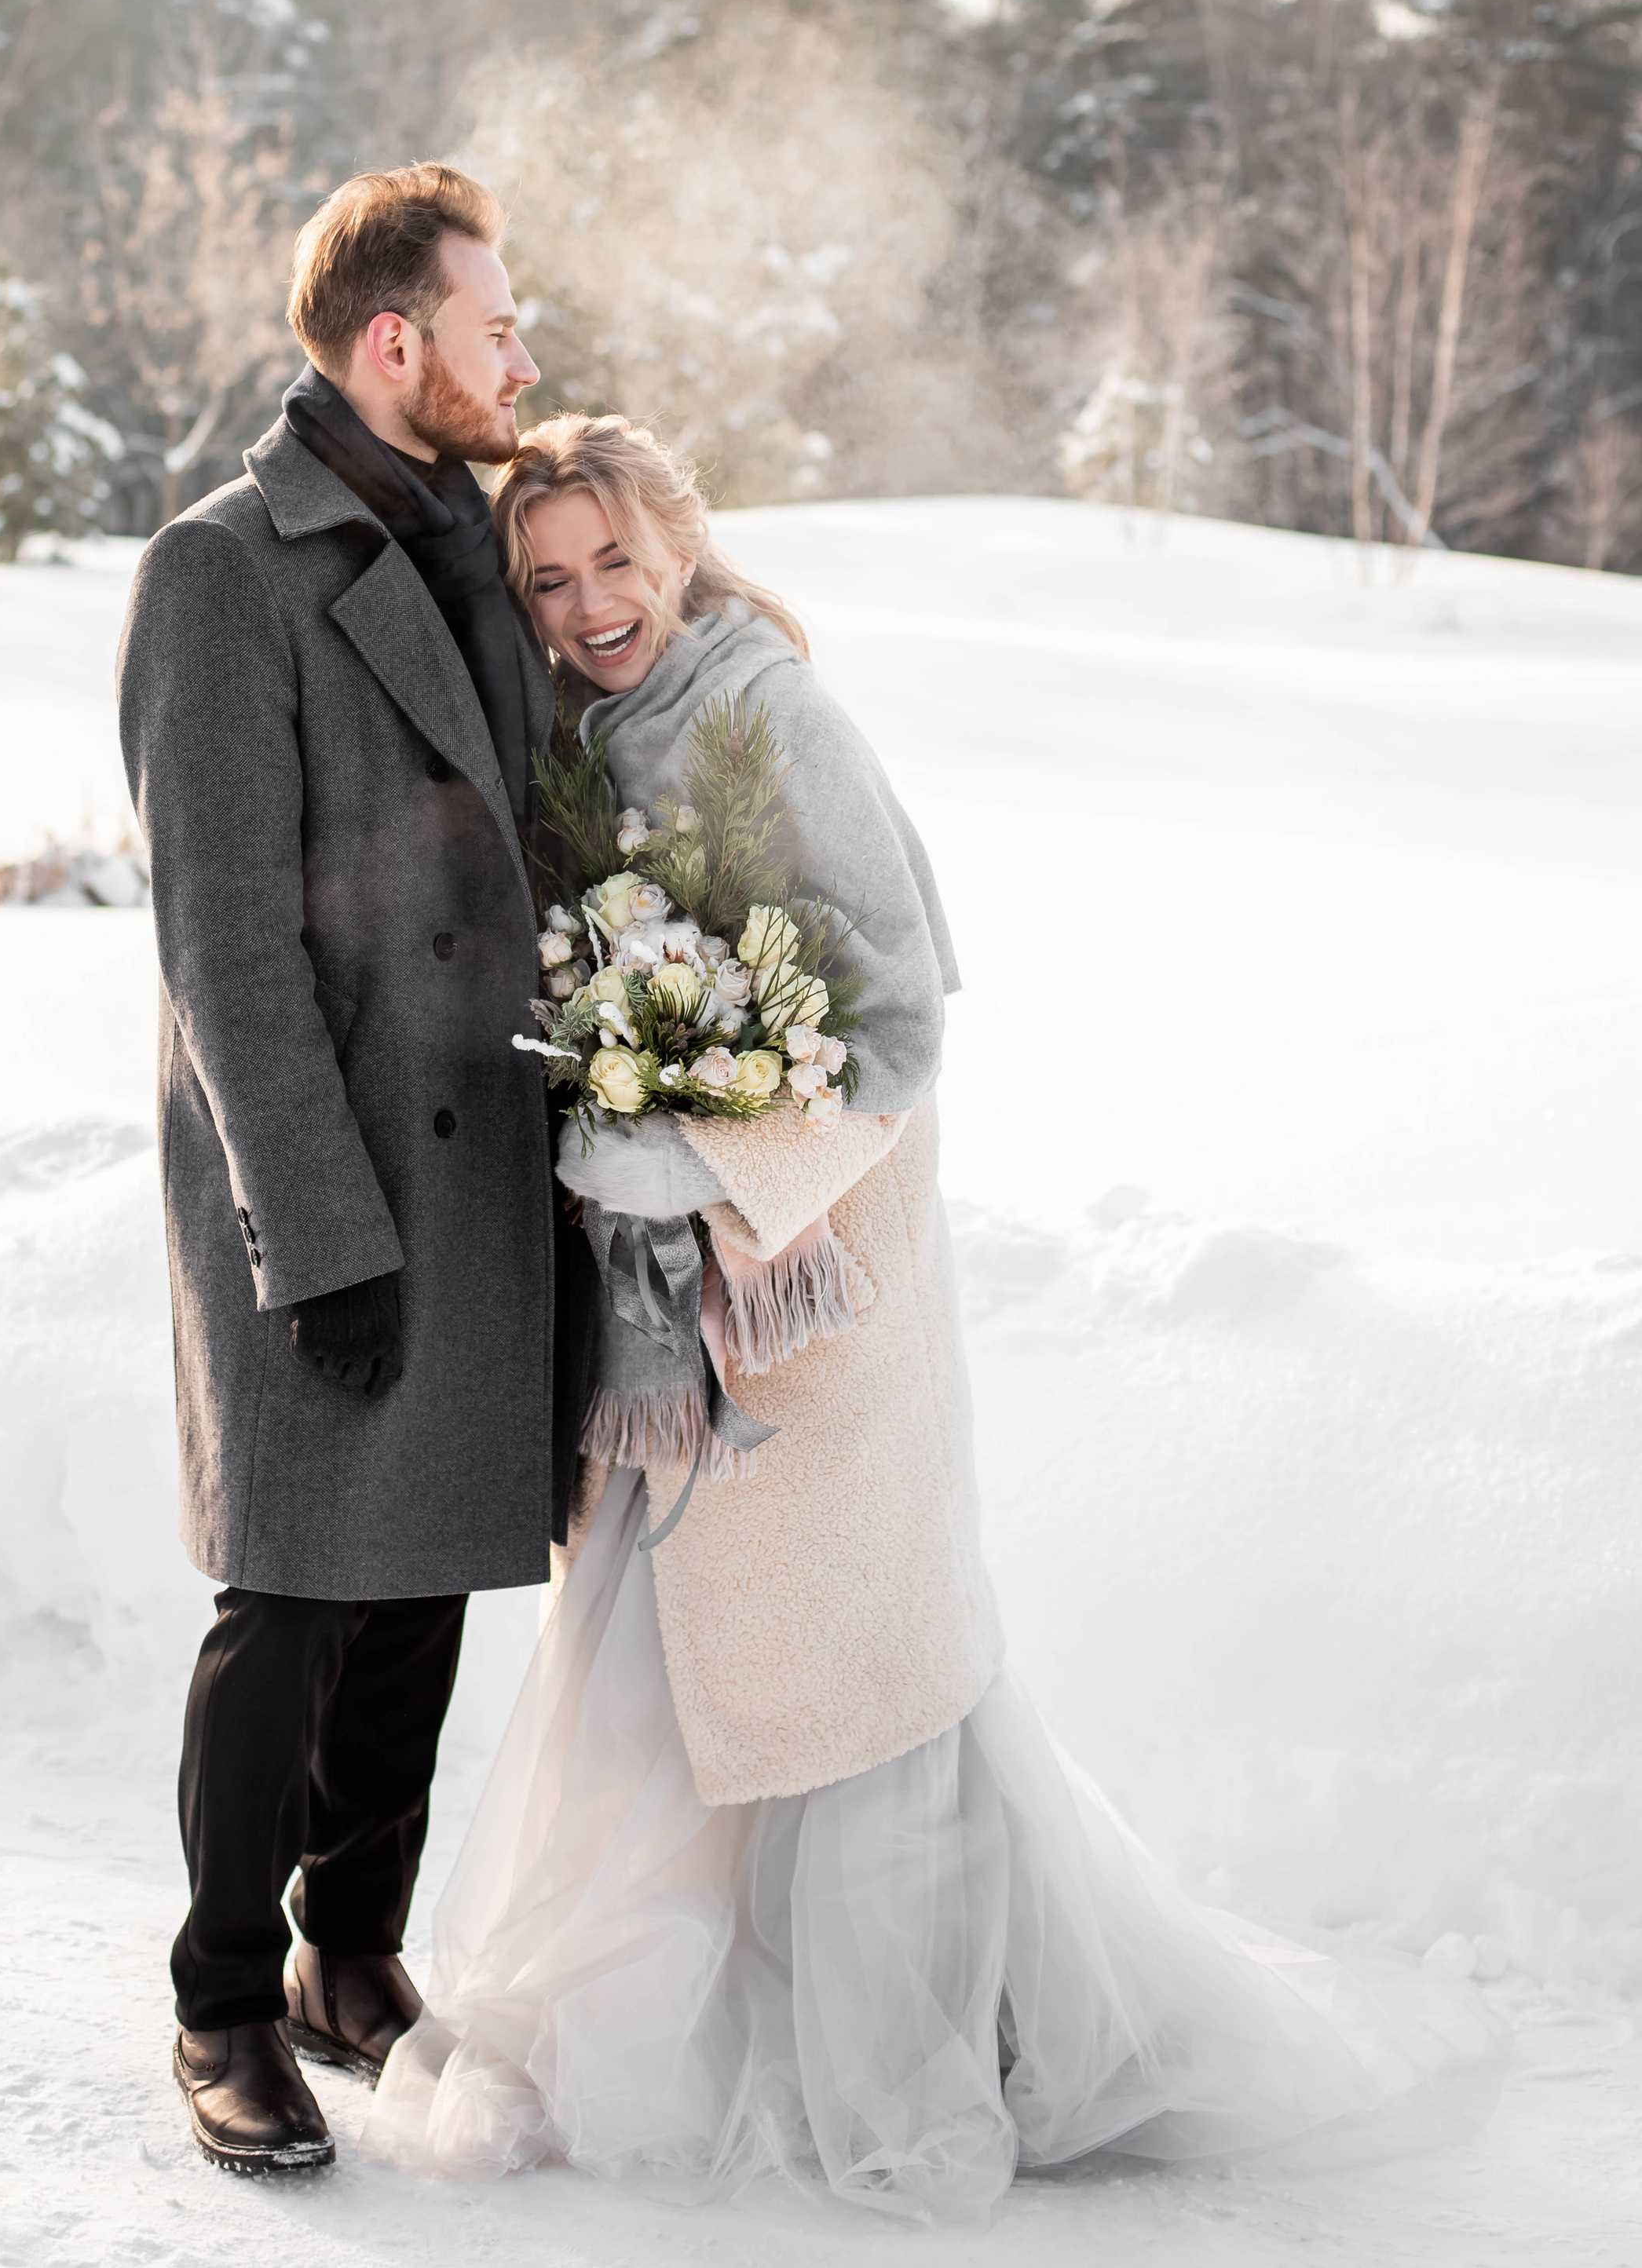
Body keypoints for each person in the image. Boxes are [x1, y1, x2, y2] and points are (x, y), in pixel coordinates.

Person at [364, 411, 1508, 2228]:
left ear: (678, 543)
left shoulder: (771, 716)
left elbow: (891, 1027)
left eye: (613, 562)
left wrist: (690, 1159)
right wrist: (601, 1107)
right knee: (655, 1673)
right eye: (549, 579)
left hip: (813, 1292)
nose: (588, 605)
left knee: (852, 1682)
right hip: (665, 1318)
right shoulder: (576, 736)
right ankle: (623, 2040)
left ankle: (908, 2062)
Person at [116, 163, 582, 2175]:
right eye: (496, 327)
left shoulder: (471, 545)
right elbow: (221, 941)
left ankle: (348, 1954)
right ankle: (223, 1999)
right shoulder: (222, 570)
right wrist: (311, 1230)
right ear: (395, 342)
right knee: (294, 1592)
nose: (522, 362)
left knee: (423, 1585)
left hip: (480, 1157)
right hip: (319, 1163)